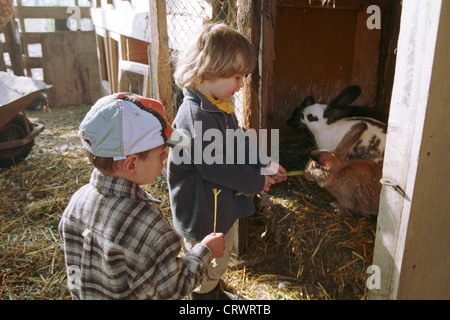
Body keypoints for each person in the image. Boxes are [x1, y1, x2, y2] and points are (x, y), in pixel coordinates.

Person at [58, 92, 225, 300]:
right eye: (161, 152)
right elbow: (172, 288)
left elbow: (75, 274)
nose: (166, 157)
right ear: (131, 164)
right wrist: (205, 251)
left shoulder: (76, 203)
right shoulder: (149, 226)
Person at [167, 22, 287, 300]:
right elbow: (214, 167)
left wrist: (262, 161)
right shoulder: (196, 116)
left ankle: (214, 290)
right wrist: (256, 181)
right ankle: (204, 299)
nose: (241, 84)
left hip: (220, 205)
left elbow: (237, 140)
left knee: (219, 261)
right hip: (203, 213)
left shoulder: (217, 106)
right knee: (206, 266)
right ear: (209, 70)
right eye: (237, 77)